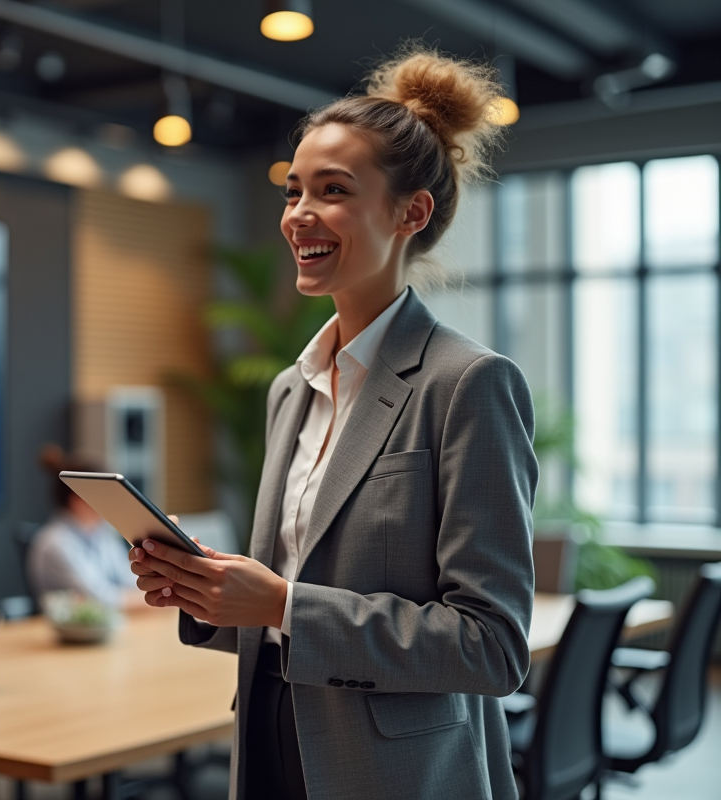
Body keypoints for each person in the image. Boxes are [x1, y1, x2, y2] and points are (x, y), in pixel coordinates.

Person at [131, 46, 538, 800]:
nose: (299, 216)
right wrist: (207, 591)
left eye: (333, 191)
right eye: (293, 192)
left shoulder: (468, 384)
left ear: (410, 212)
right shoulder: (292, 388)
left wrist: (283, 604)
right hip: (271, 746)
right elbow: (286, 606)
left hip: (396, 775)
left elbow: (492, 647)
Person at [28, 446, 142, 609]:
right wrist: (150, 598)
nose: (112, 501)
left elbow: (130, 579)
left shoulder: (100, 533)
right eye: (105, 494)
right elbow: (98, 600)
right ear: (78, 499)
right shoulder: (56, 544)